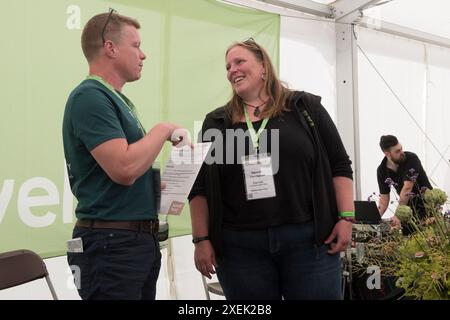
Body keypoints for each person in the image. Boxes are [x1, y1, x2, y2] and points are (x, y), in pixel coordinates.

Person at [188, 38, 354, 300]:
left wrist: (346, 218)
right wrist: (201, 239)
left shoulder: (304, 107)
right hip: (239, 248)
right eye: (228, 66)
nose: (232, 70)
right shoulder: (217, 122)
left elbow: (340, 164)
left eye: (239, 61)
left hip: (309, 242)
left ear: (263, 66)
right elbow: (199, 187)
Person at [62, 9, 188, 300]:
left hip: (132, 241)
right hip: (112, 246)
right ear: (110, 47)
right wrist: (162, 129)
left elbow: (125, 169)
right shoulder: (90, 96)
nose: (143, 55)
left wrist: (153, 185)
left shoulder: (115, 99)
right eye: (136, 45)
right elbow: (123, 167)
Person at [377, 135, 433, 234]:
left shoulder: (411, 159)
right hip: (407, 213)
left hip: (428, 209)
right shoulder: (382, 170)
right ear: (387, 154)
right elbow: (384, 199)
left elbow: (407, 188)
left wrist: (397, 215)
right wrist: (374, 219)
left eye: (401, 149)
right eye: (397, 151)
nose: (401, 152)